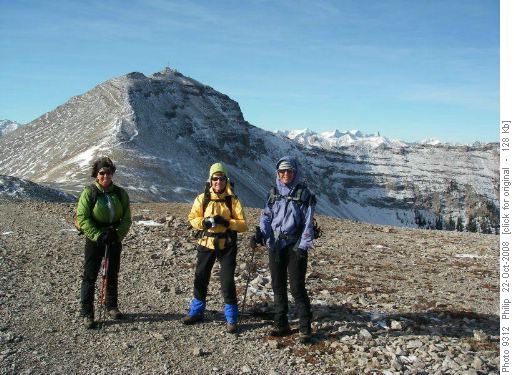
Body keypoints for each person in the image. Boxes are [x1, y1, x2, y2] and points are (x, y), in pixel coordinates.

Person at [255, 156, 316, 344]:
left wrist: (303, 246)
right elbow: (266, 215)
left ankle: (305, 328)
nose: (286, 174)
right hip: (275, 244)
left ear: (295, 172)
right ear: (278, 173)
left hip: (295, 246)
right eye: (282, 171)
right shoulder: (273, 193)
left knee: (297, 287)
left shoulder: (305, 194)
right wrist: (261, 233)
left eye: (289, 171)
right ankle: (281, 324)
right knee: (277, 285)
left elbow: (308, 222)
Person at [184, 162, 248, 333]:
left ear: (226, 180)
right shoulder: (202, 198)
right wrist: (203, 222)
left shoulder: (232, 200)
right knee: (201, 277)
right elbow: (192, 218)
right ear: (210, 180)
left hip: (227, 245)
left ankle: (232, 318)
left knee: (227, 281)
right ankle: (196, 312)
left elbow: (243, 225)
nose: (218, 182)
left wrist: (227, 222)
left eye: (221, 178)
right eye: (215, 179)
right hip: (206, 243)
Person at [76, 157, 132, 329]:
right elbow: (82, 218)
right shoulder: (89, 192)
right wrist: (98, 235)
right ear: (96, 175)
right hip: (95, 240)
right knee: (90, 275)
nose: (105, 176)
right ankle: (87, 313)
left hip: (114, 237)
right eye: (102, 173)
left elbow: (127, 218)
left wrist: (117, 234)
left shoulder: (120, 193)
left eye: (108, 172)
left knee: (112, 273)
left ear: (113, 173)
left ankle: (111, 307)